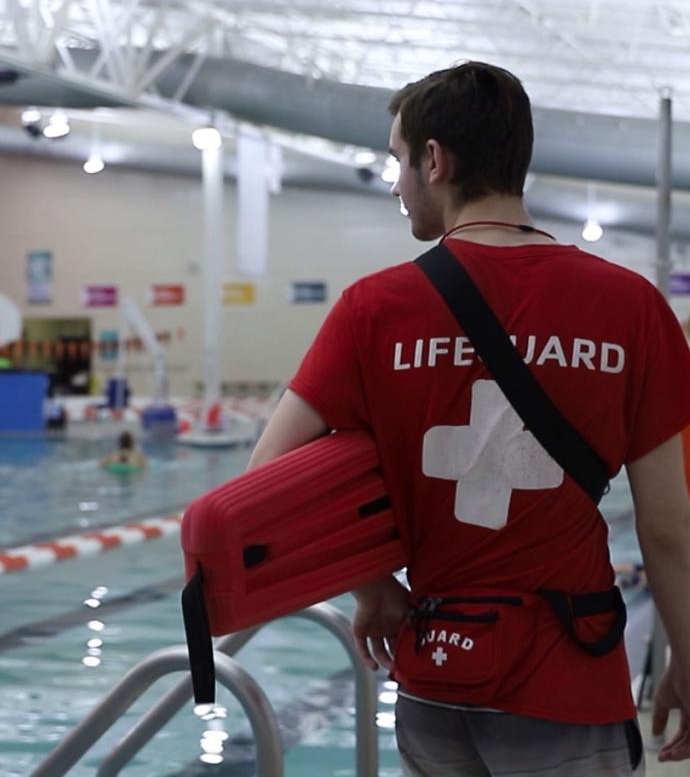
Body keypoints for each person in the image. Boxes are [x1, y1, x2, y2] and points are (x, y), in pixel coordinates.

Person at [246, 61, 690, 775]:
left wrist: (373, 588)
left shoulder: (373, 309)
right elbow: (667, 526)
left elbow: (265, 484)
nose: (395, 183)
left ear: (434, 159)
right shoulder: (631, 305)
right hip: (568, 678)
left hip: (438, 673)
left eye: (397, 160)